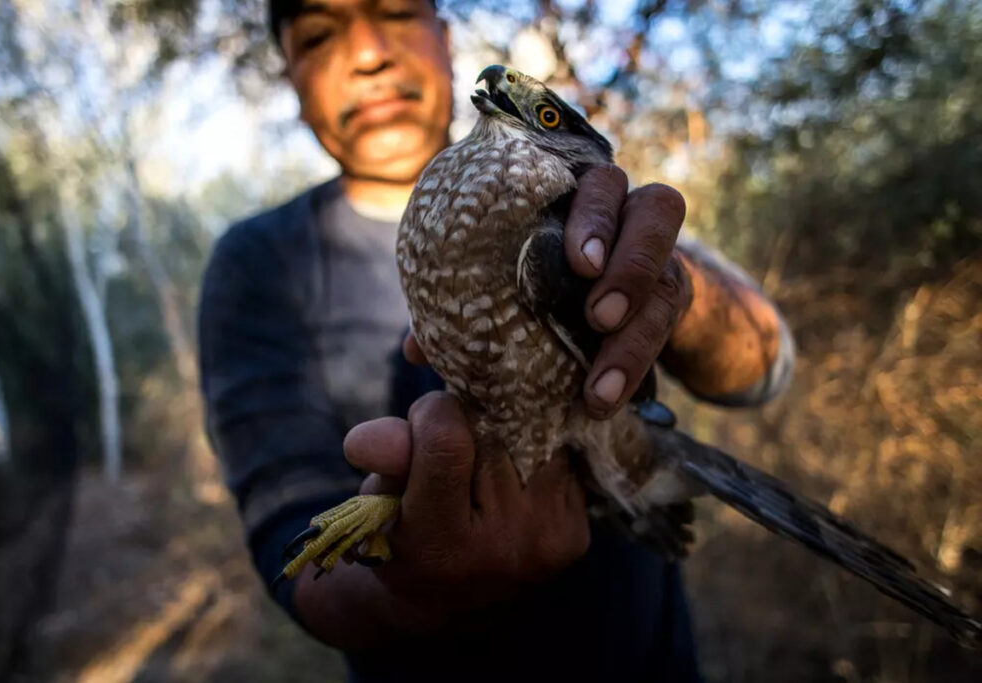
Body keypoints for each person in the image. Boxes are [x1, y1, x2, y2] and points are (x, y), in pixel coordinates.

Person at [198, 1, 794, 680]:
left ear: (445, 39)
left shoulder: (585, 203)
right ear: (290, 79)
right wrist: (410, 582)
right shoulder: (259, 262)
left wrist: (669, 290)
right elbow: (292, 542)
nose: (368, 54)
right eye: (317, 36)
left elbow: (768, 365)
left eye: (396, 11)